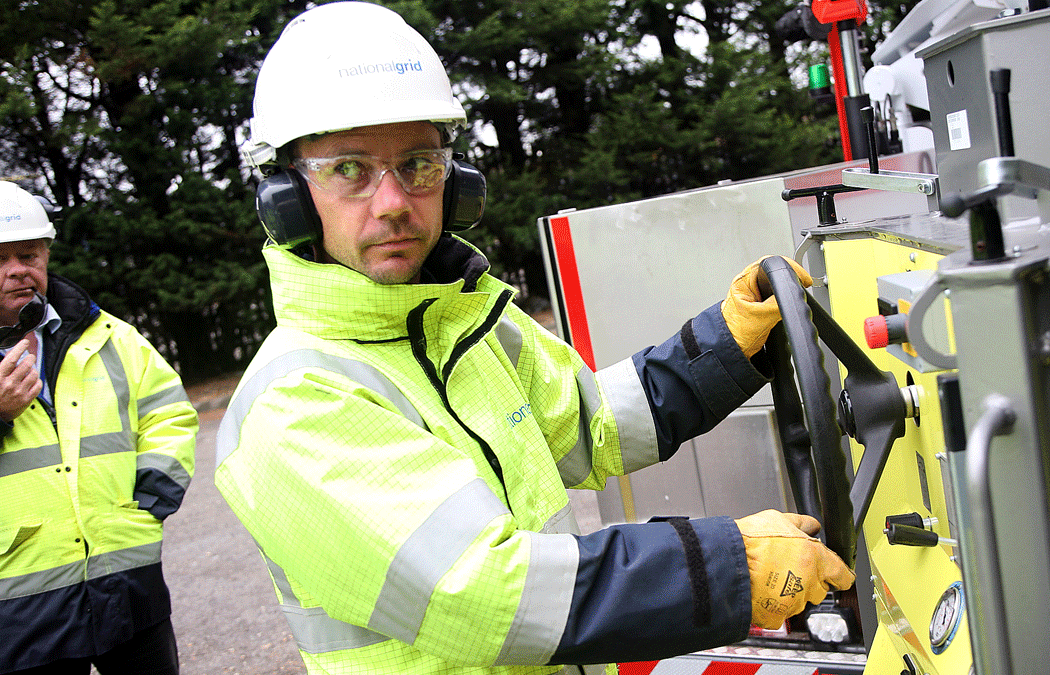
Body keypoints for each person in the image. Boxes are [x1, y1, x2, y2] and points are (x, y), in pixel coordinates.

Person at [212, 2, 855, 674]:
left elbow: (593, 423)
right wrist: (732, 564)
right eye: (349, 169)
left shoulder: (465, 320)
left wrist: (728, 342)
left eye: (417, 164)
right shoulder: (293, 405)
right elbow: (489, 595)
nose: (394, 201)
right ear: (286, 197)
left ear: (452, 180)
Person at [0, 181, 198, 674]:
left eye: (28, 254)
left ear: (47, 256)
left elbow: (168, 411)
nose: (17, 271)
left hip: (126, 583)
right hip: (20, 608)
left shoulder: (107, 334)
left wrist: (147, 504)